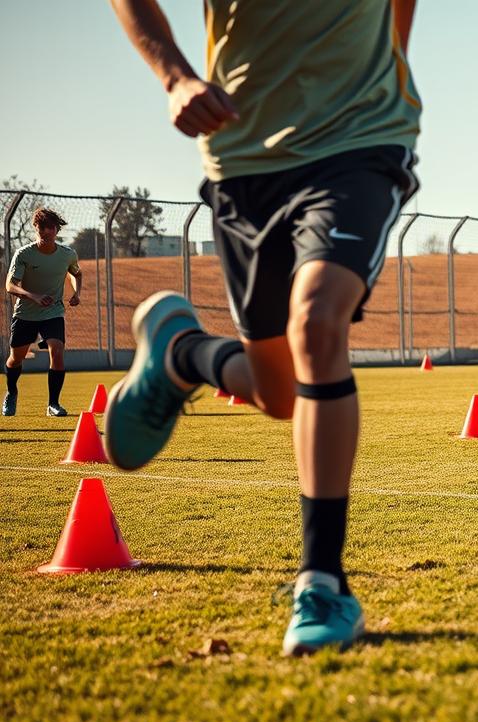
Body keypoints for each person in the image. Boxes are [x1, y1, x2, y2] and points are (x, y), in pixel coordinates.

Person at [107, 0, 422, 655]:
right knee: (281, 394)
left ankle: (323, 583)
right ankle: (185, 352)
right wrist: (175, 77)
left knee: (316, 321)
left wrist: (382, 66)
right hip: (243, 154)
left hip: (359, 138)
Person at [4, 207, 82, 417]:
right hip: (25, 314)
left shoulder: (68, 254)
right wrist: (33, 296)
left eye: (50, 228)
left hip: (54, 312)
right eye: (41, 228)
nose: (46, 232)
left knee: (57, 351)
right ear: (35, 229)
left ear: (56, 230)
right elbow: (10, 286)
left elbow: (76, 272)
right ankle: (11, 392)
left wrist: (76, 292)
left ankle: (53, 404)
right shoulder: (24, 254)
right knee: (15, 358)